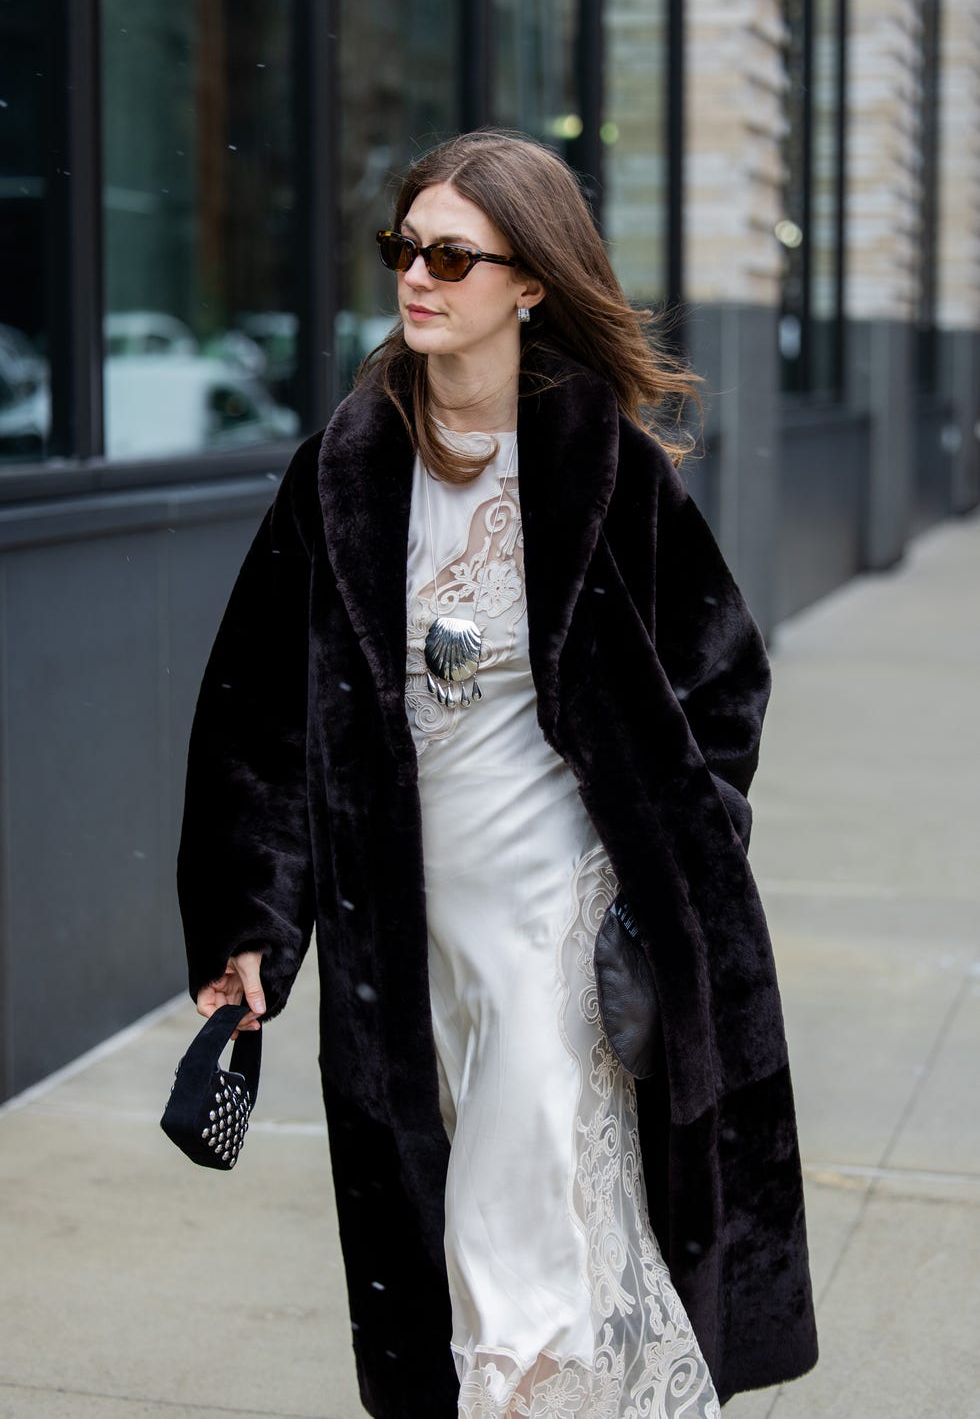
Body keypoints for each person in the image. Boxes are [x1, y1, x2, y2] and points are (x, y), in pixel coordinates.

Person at [178, 130, 817, 1419]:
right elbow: (256, 716)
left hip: (558, 906)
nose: (418, 276)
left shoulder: (607, 470)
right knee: (463, 1214)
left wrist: (679, 852)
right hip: (403, 921)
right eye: (403, 248)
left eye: (451, 254)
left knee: (513, 1210)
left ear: (530, 281)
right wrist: (255, 918)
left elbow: (726, 675)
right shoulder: (344, 473)